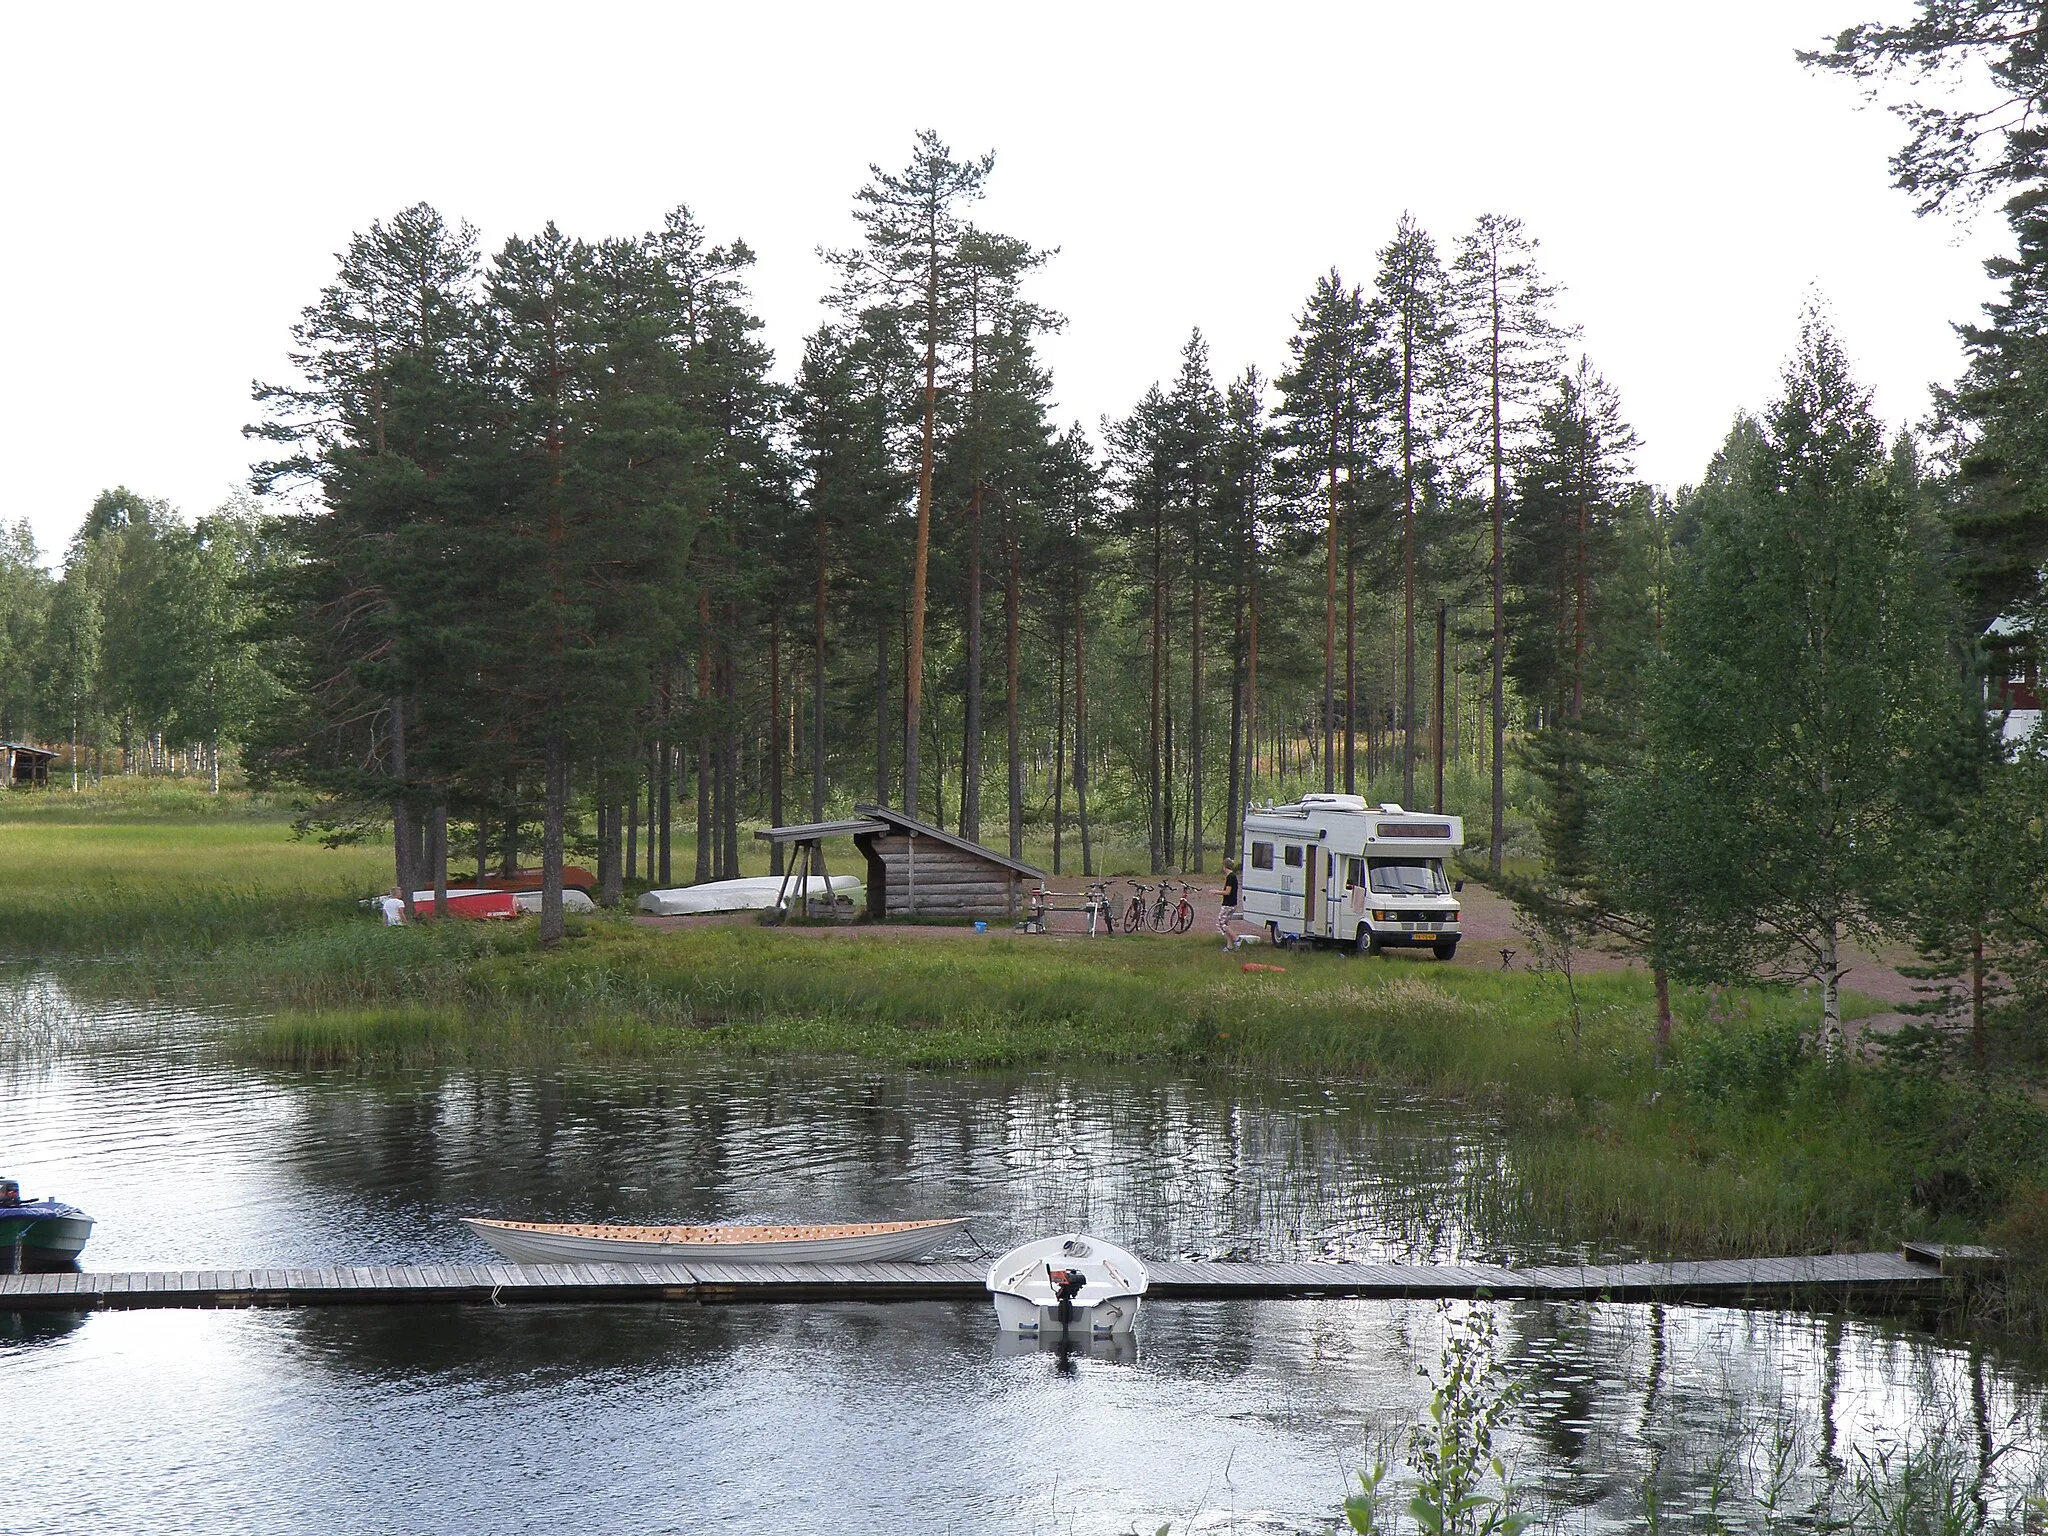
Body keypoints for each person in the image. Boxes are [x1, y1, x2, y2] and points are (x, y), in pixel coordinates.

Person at [1217, 860, 1241, 950]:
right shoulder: (1232, 876)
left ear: (1224, 866)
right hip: (1232, 903)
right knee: (1226, 924)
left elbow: (1227, 892)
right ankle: (1229, 946)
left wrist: (1216, 892)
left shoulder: (1231, 877)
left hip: (1228, 904)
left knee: (1221, 923)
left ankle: (1236, 938)